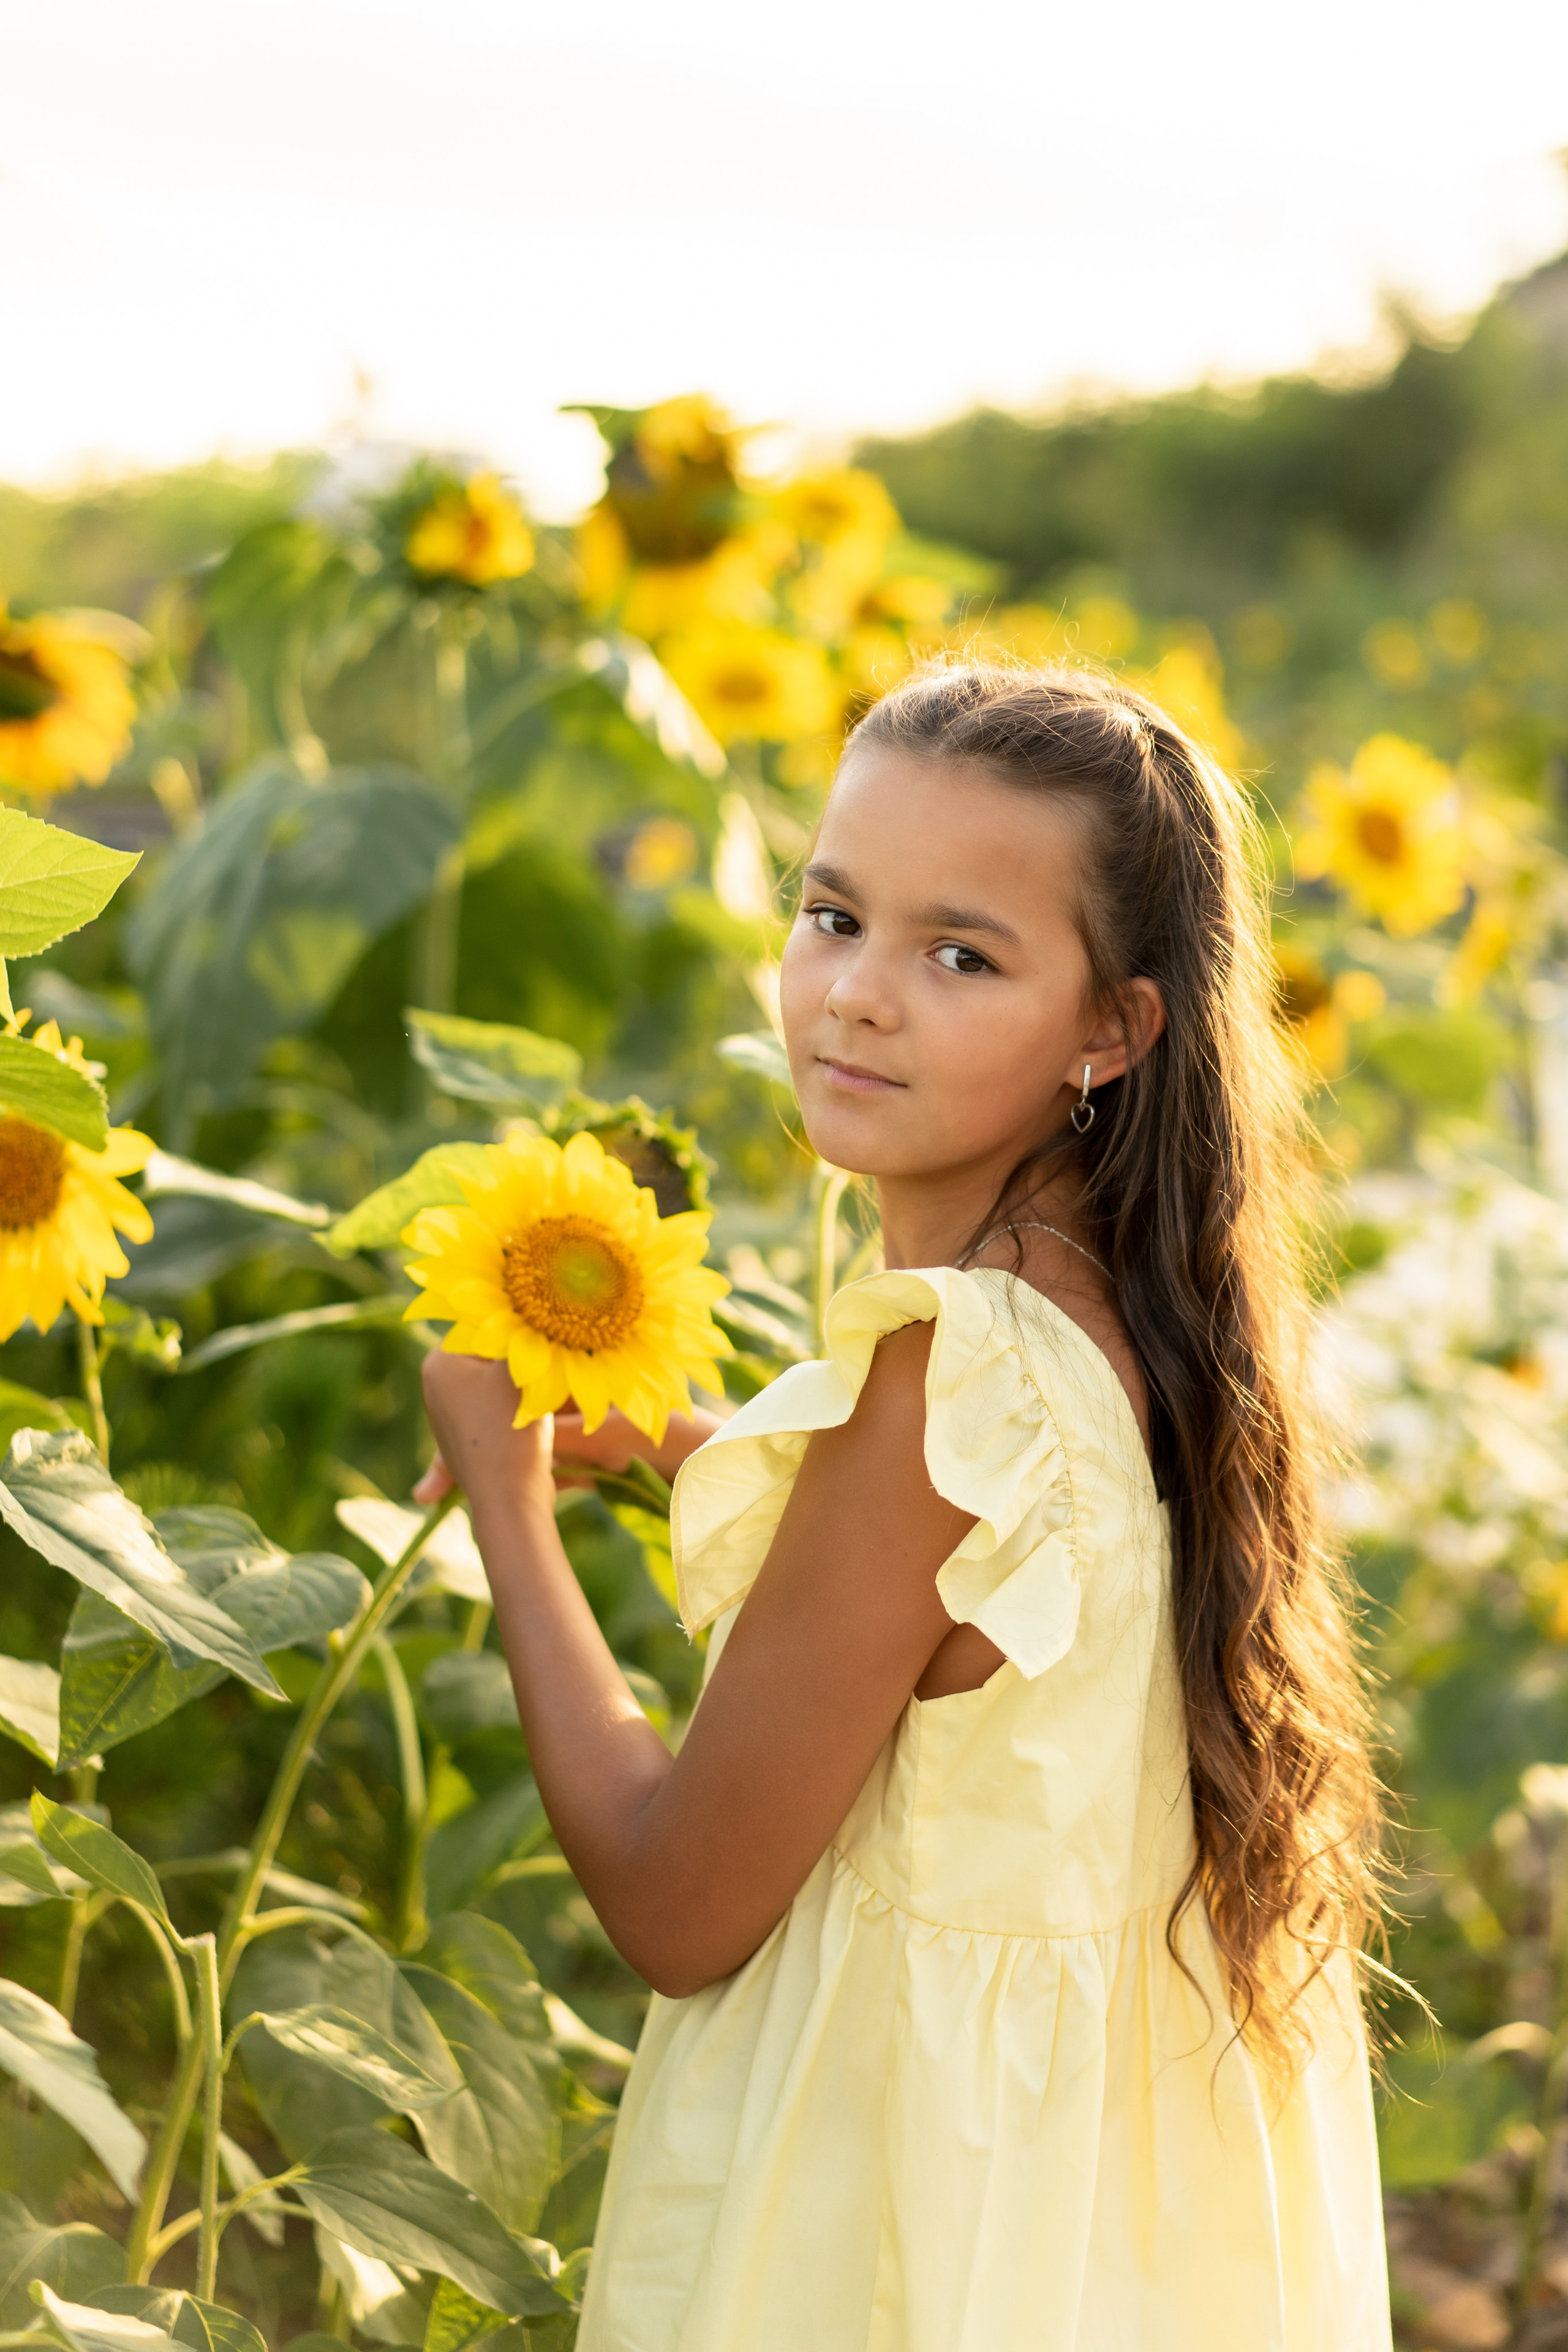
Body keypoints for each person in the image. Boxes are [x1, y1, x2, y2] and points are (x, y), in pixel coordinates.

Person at [416, 662, 1392, 2351]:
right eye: (832, 913)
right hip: (1094, 2242)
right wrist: (689, 1438)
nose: (857, 994)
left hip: (900, 2246)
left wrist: (503, 1493)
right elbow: (998, 1592)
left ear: (1114, 1027)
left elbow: (673, 1901)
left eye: (960, 955)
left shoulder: (939, 1390)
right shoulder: (1145, 1321)